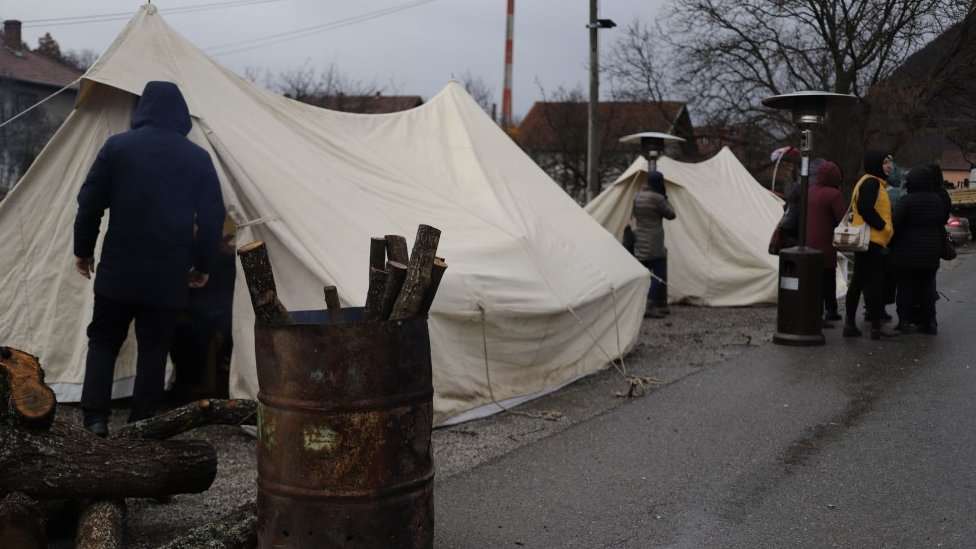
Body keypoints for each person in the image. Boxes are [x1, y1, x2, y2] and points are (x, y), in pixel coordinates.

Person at [73, 81, 226, 437]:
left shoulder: (117, 148)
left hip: (118, 270)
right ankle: (141, 428)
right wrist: (203, 267)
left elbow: (90, 205)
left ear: (142, 110)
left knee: (103, 341)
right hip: (167, 275)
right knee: (154, 350)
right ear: (180, 114)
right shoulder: (197, 158)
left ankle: (95, 421)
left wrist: (83, 250)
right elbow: (212, 219)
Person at [843, 151, 899, 340]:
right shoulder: (872, 182)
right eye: (885, 163)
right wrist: (882, 226)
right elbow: (866, 208)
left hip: (867, 241)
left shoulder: (869, 181)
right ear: (876, 164)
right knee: (874, 284)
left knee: (858, 281)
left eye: (889, 163)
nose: (888, 166)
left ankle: (850, 324)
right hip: (871, 240)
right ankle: (876, 327)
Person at [889, 165, 947, 334]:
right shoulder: (937, 200)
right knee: (927, 287)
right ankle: (930, 322)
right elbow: (940, 221)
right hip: (930, 252)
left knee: (905, 288)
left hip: (906, 253)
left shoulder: (906, 201)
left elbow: (895, 224)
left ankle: (904, 322)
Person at [804, 160, 846, 326]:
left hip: (808, 242)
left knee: (817, 279)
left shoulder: (810, 191)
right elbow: (841, 219)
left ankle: (827, 310)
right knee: (827, 278)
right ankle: (825, 313)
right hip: (826, 243)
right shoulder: (834, 194)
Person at [633, 170, 676, 319]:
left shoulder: (638, 197)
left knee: (642, 275)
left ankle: (637, 304)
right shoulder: (658, 199)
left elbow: (635, 214)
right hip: (654, 242)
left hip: (640, 241)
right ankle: (650, 305)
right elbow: (671, 214)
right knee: (658, 275)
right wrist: (665, 197)